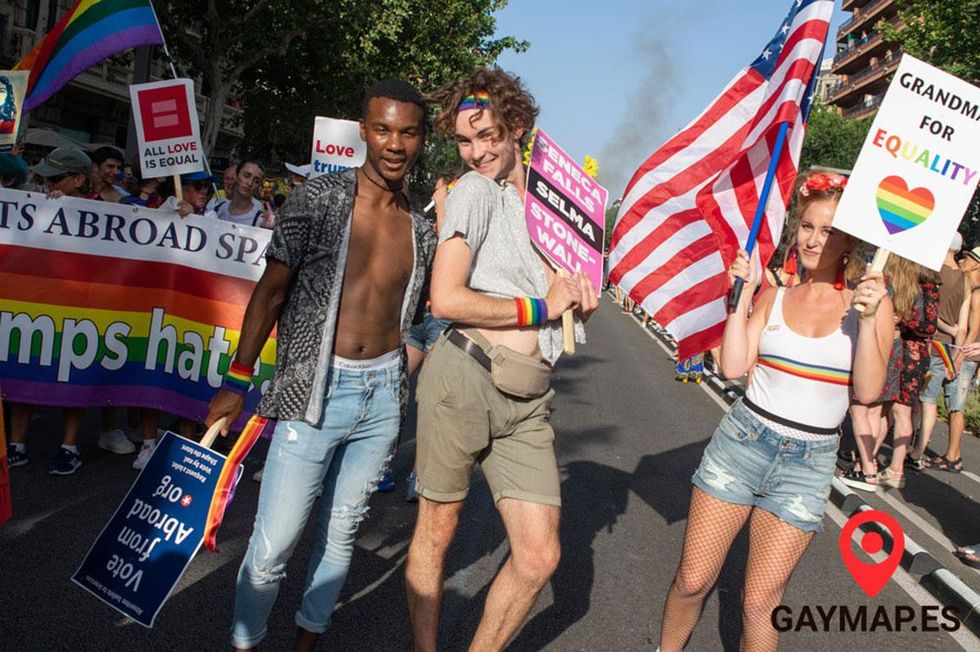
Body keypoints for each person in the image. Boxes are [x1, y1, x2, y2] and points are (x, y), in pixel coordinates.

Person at [204, 79, 434, 652]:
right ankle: (245, 639)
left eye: (407, 132)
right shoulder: (321, 197)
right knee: (272, 546)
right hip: (314, 388)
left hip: (383, 397)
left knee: (340, 537)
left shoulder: (423, 228)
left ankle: (308, 641)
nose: (394, 143)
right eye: (383, 129)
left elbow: (422, 317)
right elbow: (270, 291)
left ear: (422, 138)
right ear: (364, 130)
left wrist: (402, 369)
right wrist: (237, 380)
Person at [405, 69, 598, 651]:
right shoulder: (472, 191)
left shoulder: (554, 210)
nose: (477, 152)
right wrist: (543, 304)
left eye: (487, 135)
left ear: (518, 128)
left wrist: (577, 305)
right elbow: (447, 298)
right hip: (465, 376)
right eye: (465, 141)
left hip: (530, 397)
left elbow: (561, 306)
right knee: (437, 530)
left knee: (539, 556)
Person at [658, 172, 892, 651]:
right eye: (806, 226)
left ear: (847, 240)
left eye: (827, 231)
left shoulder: (868, 306)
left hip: (808, 464)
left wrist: (868, 323)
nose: (812, 239)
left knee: (761, 601)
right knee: (694, 579)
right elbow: (731, 366)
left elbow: (867, 393)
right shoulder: (775, 295)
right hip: (743, 443)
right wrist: (740, 299)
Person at [6, 147, 135, 474]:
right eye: (46, 176)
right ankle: (16, 445)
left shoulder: (106, 213)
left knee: (73, 376)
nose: (49, 183)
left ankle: (69, 445)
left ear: (79, 179)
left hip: (82, 309)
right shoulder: (38, 205)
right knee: (26, 367)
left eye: (57, 178)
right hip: (39, 303)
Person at [843, 258, 939, 490]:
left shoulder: (887, 284)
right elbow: (925, 323)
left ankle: (867, 466)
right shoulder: (920, 287)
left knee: (863, 410)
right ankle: (876, 464)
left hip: (885, 344)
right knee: (886, 412)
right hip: (905, 348)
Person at [910, 232, 971, 473]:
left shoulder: (932, 272)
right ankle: (918, 450)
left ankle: (912, 449)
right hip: (947, 347)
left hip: (926, 340)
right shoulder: (965, 280)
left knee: (919, 398)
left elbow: (925, 311)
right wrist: (956, 358)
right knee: (930, 400)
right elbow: (962, 327)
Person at [212, 159, 269, 227]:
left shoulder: (260, 219)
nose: (250, 183)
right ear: (236, 176)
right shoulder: (219, 209)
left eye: (256, 181)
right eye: (246, 176)